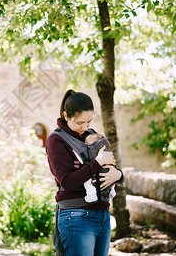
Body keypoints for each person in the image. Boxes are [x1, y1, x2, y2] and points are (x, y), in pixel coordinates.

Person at [46, 89, 123, 256]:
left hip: (102, 214)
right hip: (76, 216)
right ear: (66, 116)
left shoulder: (92, 136)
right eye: (80, 123)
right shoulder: (56, 140)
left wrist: (118, 175)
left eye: (89, 122)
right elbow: (67, 182)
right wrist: (97, 162)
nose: (85, 127)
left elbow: (108, 162)